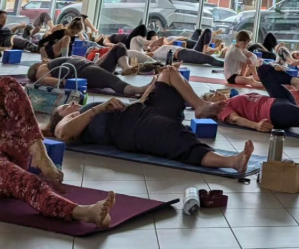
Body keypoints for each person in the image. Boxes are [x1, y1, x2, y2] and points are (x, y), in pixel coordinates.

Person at [44, 67, 255, 176]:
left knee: (168, 73)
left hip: (141, 110)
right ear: (60, 116)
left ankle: (200, 106)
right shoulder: (72, 120)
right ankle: (231, 162)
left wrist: (151, 88)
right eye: (65, 107)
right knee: (175, 137)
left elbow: (136, 104)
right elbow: (63, 134)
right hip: (132, 129)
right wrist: (98, 108)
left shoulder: (82, 111)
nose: (72, 104)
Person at [0, 76, 115, 228]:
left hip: (12, 153)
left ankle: (41, 157)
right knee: (29, 183)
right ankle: (84, 212)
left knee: (8, 84)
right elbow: (63, 132)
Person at [28, 44, 151, 97]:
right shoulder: (42, 67)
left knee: (119, 46)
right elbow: (44, 80)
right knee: (111, 80)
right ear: (36, 66)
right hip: (83, 71)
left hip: (90, 67)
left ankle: (126, 67)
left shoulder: (50, 64)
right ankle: (138, 90)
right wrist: (67, 83)